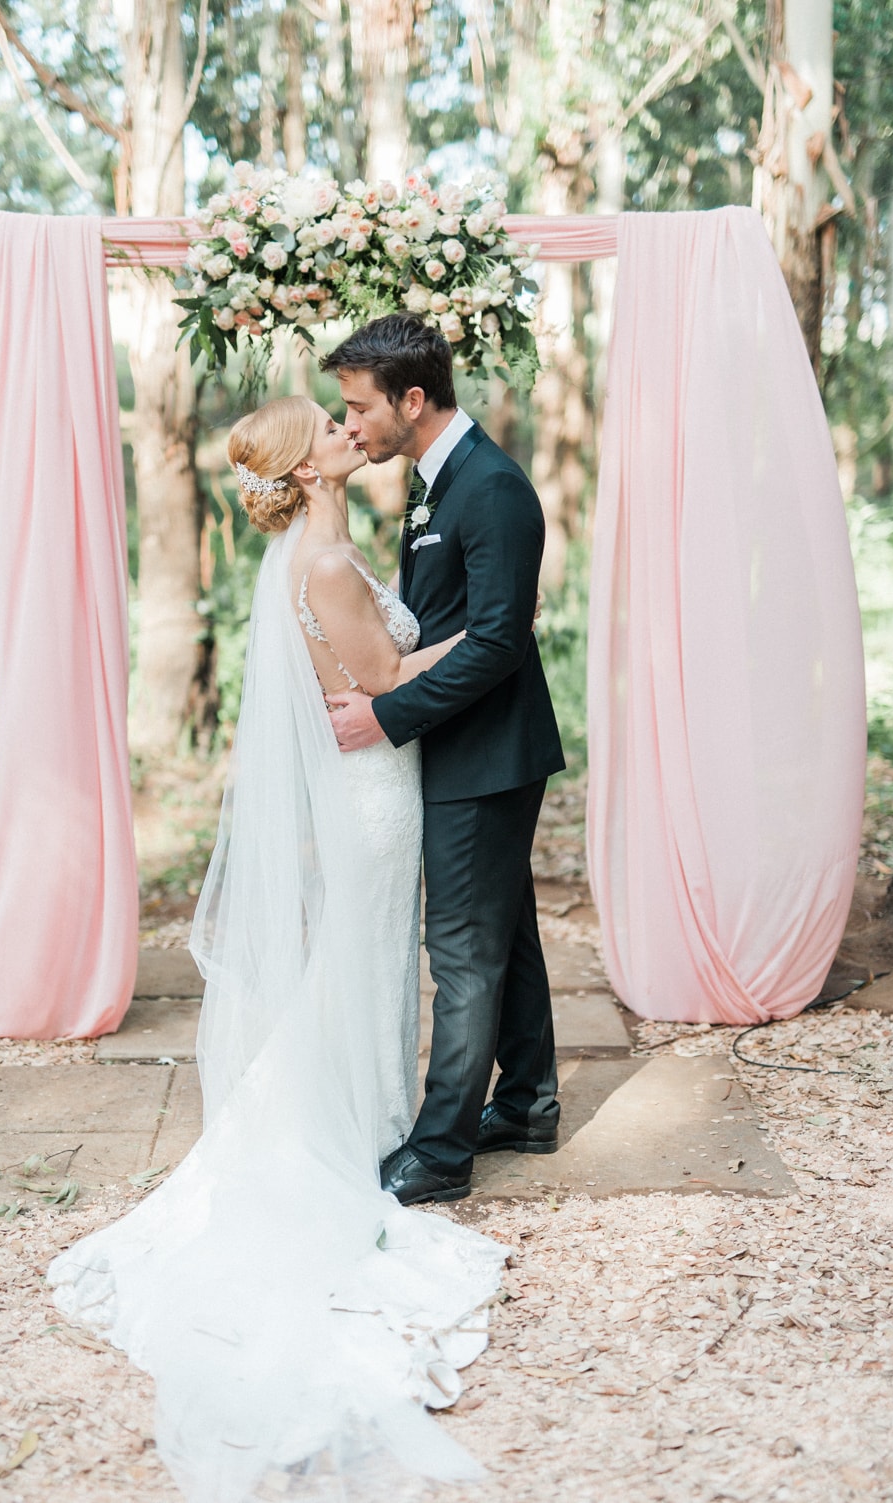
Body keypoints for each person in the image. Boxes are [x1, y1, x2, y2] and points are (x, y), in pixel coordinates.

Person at [48, 394, 504, 1503]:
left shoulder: (321, 549)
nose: (346, 432)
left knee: (362, 961)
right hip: (379, 795)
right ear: (306, 471)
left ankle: (367, 1115)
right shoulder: (328, 565)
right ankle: (353, 1125)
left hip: (367, 785)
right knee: (362, 961)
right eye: (329, 430)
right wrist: (487, 632)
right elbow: (388, 687)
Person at [320, 313, 566, 1208]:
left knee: (460, 951)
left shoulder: (491, 488)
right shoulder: (435, 482)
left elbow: (499, 639)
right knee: (507, 935)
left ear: (412, 399)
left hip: (489, 751)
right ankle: (528, 1102)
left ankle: (441, 1151)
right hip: (465, 744)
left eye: (358, 408)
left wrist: (387, 716)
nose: (350, 425)